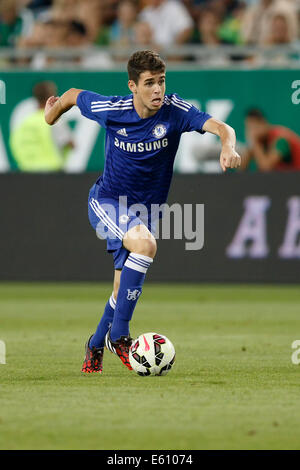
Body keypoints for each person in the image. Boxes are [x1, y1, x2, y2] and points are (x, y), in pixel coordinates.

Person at [44, 50, 241, 374]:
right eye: (149, 83)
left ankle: (95, 344)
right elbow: (73, 96)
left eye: (161, 81)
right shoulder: (113, 109)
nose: (157, 90)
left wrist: (228, 146)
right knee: (146, 245)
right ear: (132, 86)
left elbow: (222, 126)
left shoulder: (175, 111)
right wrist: (51, 116)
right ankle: (120, 336)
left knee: (121, 291)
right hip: (107, 201)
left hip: (144, 213)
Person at [10, 81, 73, 172]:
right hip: (53, 173)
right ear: (52, 96)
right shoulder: (55, 119)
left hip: (27, 174)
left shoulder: (24, 122)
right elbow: (70, 143)